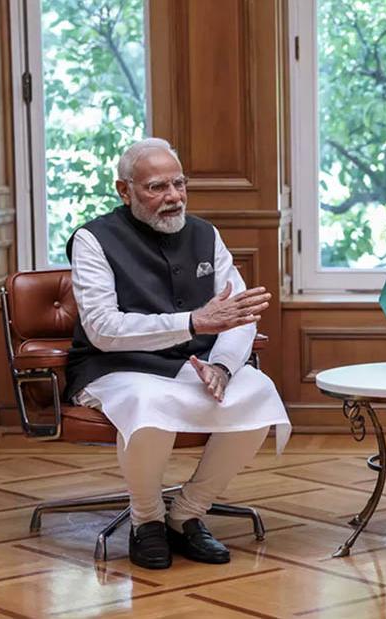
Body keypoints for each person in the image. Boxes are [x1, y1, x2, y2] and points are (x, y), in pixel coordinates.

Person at [64, 137, 291, 570]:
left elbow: (238, 314)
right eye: (157, 187)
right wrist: (193, 323)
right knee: (146, 402)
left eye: (179, 184)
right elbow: (103, 329)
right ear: (124, 191)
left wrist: (223, 366)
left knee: (257, 391)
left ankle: (187, 513)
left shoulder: (205, 234)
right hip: (116, 365)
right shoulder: (93, 239)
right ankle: (146, 519)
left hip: (193, 362)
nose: (173, 197)